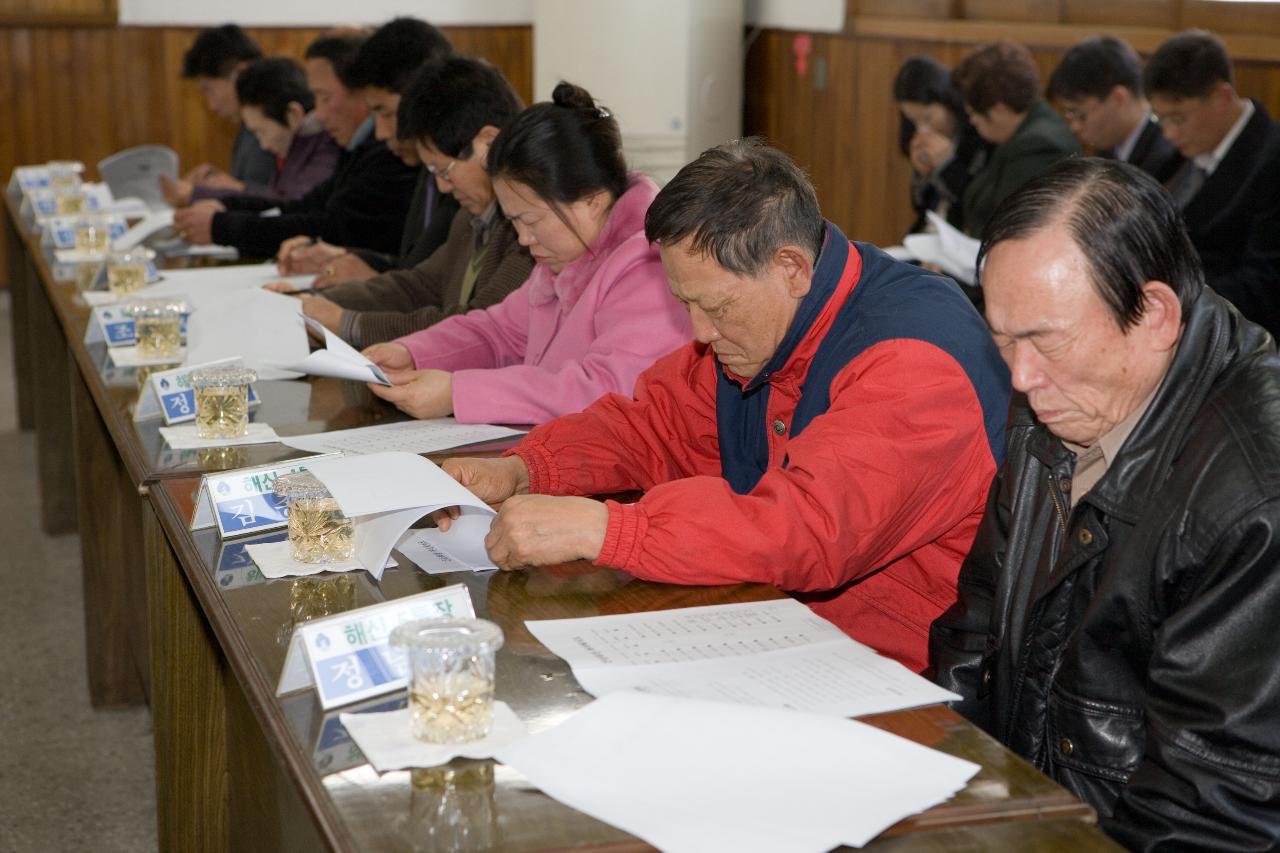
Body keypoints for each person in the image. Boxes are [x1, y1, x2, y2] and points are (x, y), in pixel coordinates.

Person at [430, 139, 1011, 673]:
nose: (701, 334)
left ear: (791, 268)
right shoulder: (765, 328)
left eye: (716, 307)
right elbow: (653, 426)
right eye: (686, 305)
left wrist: (611, 529)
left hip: (905, 670)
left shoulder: (914, 362)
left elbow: (808, 528)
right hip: (785, 626)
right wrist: (526, 468)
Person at [930, 157, 1280, 850]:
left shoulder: (1253, 498)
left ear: (1153, 313)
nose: (1021, 377)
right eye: (1001, 339)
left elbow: (1210, 812)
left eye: (1042, 339)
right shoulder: (1069, 393)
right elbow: (973, 635)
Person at [363, 82, 692, 426]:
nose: (523, 238)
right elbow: (497, 332)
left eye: (530, 220)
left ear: (592, 200)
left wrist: (457, 392)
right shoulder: (565, 258)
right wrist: (413, 353)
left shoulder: (650, 267)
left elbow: (607, 390)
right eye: (513, 221)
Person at [281, 56, 534, 350]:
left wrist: (346, 323)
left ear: (488, 144)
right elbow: (417, 286)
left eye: (444, 171)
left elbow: (481, 325)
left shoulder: (528, 228)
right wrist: (312, 303)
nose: (441, 186)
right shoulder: (471, 216)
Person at [172, 31, 419, 260]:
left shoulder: (387, 153)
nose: (319, 115)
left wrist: (221, 225)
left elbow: (330, 228)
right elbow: (301, 207)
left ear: (364, 93)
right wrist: (227, 207)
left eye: (325, 98)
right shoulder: (357, 150)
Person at [276, 17, 460, 285]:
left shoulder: (455, 173)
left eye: (385, 113)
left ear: (424, 99)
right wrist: (351, 258)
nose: (380, 133)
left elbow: (446, 294)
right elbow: (418, 269)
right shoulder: (424, 169)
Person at [1144, 29, 1280, 338]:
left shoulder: (1271, 160)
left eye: (1177, 118)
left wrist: (1163, 296)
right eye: (1160, 119)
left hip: (1229, 338)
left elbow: (1264, 286)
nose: (1168, 134)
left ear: (1222, 97)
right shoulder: (1179, 154)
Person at [951, 41, 1081, 238]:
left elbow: (1010, 227)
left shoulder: (1038, 145)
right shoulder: (1019, 134)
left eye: (974, 112)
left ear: (999, 108)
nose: (972, 121)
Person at [1048, 35, 1181, 183]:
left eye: (1080, 115)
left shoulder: (1165, 154)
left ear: (1118, 98)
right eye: (1069, 116)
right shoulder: (1108, 145)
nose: (1075, 127)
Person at [210, 57, 339, 203]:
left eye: (262, 132)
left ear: (293, 114)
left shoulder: (326, 148)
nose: (264, 145)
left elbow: (290, 207)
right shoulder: (292, 149)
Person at [169, 24, 275, 201]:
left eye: (209, 89)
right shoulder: (248, 126)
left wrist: (200, 193)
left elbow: (288, 202)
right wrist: (218, 182)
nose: (211, 105)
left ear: (240, 74)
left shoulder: (275, 121)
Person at [893, 55, 991, 234]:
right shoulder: (917, 136)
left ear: (948, 101)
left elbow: (978, 207)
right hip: (927, 238)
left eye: (928, 118)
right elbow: (922, 207)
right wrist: (923, 175)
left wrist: (947, 164)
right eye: (913, 120)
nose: (921, 129)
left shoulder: (978, 133)